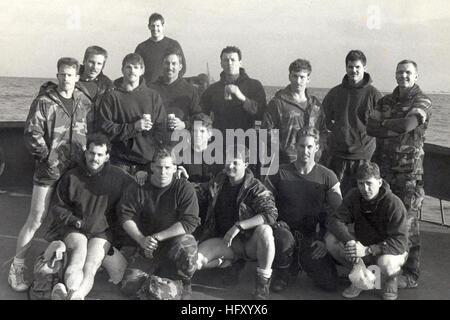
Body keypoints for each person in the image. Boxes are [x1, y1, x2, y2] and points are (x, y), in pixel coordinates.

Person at [9, 57, 92, 292]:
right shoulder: (44, 102)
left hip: (75, 173)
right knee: (36, 218)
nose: (66, 79)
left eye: (70, 75)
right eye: (62, 74)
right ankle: (17, 267)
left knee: (70, 220)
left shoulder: (83, 101)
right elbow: (32, 133)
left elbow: (91, 130)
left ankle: (62, 270)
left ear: (78, 77)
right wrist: (48, 158)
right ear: (57, 76)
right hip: (49, 171)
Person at [366, 60, 432, 289]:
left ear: (416, 75)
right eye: (400, 72)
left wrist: (384, 122)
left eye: (408, 73)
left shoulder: (422, 100)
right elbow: (369, 128)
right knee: (384, 219)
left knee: (408, 223)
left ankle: (411, 274)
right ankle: (383, 269)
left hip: (409, 173)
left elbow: (407, 125)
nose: (403, 76)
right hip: (384, 170)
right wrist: (388, 124)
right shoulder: (386, 101)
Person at [45, 133, 134, 300]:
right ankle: (72, 290)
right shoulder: (71, 176)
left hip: (102, 233)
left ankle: (74, 295)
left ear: (107, 157)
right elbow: (58, 207)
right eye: (92, 153)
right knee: (78, 257)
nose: (95, 158)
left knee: (91, 266)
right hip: (75, 229)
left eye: (100, 155)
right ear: (86, 153)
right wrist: (75, 222)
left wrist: (143, 176)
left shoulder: (120, 177)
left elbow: (138, 195)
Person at [264, 127, 342, 292]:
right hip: (282, 232)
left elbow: (338, 214)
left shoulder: (328, 177)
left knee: (330, 284)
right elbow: (264, 203)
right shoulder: (278, 172)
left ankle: (301, 262)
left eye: (309, 147)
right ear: (295, 146)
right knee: (283, 239)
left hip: (310, 237)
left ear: (317, 148)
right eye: (301, 146)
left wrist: (323, 238)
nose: (305, 151)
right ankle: (282, 272)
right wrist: (274, 222)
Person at [196, 145, 278, 300]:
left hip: (248, 243)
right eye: (227, 162)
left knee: (266, 231)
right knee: (194, 262)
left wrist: (239, 226)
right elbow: (196, 191)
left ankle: (262, 284)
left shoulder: (255, 187)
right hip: (225, 242)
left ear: (245, 164)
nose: (230, 166)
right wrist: (179, 178)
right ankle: (225, 263)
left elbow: (271, 213)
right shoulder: (218, 182)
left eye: (235, 162)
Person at [118, 147, 200, 299]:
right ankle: (158, 283)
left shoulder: (184, 188)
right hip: (146, 246)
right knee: (128, 288)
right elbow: (125, 216)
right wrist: (142, 239)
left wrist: (158, 237)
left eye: (167, 167)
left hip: (174, 244)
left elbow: (189, 222)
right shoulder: (138, 187)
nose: (163, 172)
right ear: (151, 167)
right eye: (159, 167)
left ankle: (183, 281)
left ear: (175, 168)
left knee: (188, 250)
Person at [326, 162, 408, 300]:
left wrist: (369, 250)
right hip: (363, 244)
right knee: (330, 240)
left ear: (380, 182)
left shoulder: (394, 204)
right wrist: (350, 242)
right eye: (361, 184)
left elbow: (400, 242)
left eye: (369, 183)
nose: (365, 189)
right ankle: (362, 276)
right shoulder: (354, 196)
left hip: (390, 250)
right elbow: (335, 220)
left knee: (386, 263)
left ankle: (391, 278)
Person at [98, 53, 167, 186]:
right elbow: (105, 128)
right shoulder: (112, 96)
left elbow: (161, 128)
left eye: (136, 67)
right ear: (122, 70)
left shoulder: (153, 96)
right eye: (128, 67)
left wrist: (153, 157)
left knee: (143, 203)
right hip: (120, 161)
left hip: (146, 162)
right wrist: (133, 127)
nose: (132, 71)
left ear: (142, 70)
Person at [322, 50, 383, 196]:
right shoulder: (335, 93)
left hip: (364, 157)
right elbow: (323, 119)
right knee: (335, 198)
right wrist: (337, 132)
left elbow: (382, 127)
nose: (353, 70)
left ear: (364, 67)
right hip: (338, 156)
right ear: (346, 67)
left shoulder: (374, 95)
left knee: (362, 198)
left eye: (357, 67)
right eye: (350, 67)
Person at [263, 58, 327, 164]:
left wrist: (318, 151)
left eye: (302, 77)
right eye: (295, 76)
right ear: (289, 77)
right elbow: (266, 131)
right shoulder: (278, 103)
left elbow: (323, 131)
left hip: (311, 162)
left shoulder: (315, 105)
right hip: (286, 162)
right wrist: (283, 151)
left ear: (308, 79)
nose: (298, 81)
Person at [201, 46, 266, 134]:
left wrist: (242, 97)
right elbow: (201, 113)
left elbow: (262, 113)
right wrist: (206, 124)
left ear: (240, 63)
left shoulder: (254, 86)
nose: (229, 63)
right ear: (221, 64)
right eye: (226, 60)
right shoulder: (213, 89)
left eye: (233, 60)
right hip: (220, 140)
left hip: (246, 140)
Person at [149, 49, 202, 142]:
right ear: (162, 65)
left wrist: (185, 124)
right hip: (155, 142)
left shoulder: (190, 90)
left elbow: (199, 118)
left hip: (181, 144)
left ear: (180, 66)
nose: (170, 67)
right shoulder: (151, 89)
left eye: (174, 63)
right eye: (167, 63)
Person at [135, 12, 186, 85]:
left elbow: (182, 68)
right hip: (149, 90)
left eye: (158, 26)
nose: (155, 29)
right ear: (149, 27)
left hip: (168, 89)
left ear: (163, 26)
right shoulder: (141, 48)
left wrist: (171, 84)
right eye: (153, 26)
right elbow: (136, 70)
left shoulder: (174, 44)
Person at [76, 46, 114, 129]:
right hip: (74, 133)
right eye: (91, 62)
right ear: (84, 61)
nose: (94, 67)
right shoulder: (71, 80)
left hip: (97, 135)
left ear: (103, 65)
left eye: (99, 64)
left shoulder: (108, 85)